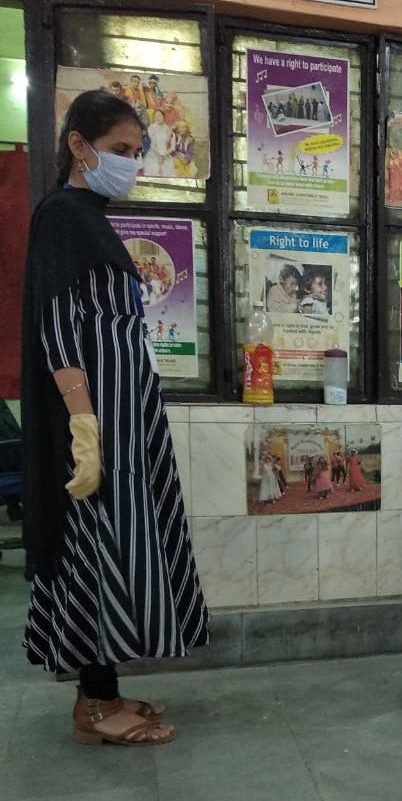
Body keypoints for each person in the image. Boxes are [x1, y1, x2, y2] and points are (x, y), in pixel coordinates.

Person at [20, 90, 209, 747]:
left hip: (126, 420)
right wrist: (84, 425)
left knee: (121, 549)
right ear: (80, 145)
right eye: (122, 151)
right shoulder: (64, 215)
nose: (132, 164)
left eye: (137, 153)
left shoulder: (89, 216)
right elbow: (58, 325)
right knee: (95, 552)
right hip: (98, 421)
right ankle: (94, 707)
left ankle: (105, 688)